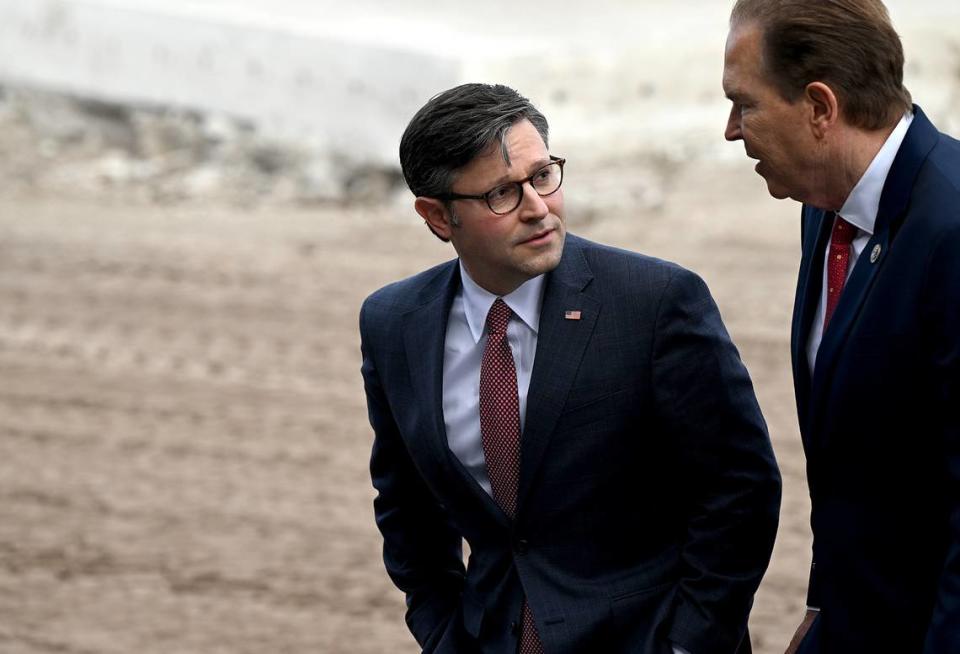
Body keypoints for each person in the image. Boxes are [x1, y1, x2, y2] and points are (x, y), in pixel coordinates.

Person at [359, 82, 780, 654]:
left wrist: (689, 642)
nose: (537, 208)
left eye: (542, 176)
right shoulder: (393, 323)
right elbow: (405, 506)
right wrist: (441, 631)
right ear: (438, 217)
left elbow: (740, 490)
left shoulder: (655, 301)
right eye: (502, 194)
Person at [722, 1, 960, 652]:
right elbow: (855, 462)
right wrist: (826, 602)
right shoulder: (825, 207)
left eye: (745, 104)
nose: (731, 131)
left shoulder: (951, 229)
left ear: (820, 108)